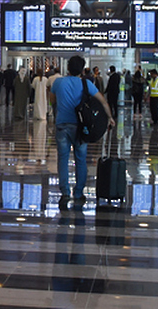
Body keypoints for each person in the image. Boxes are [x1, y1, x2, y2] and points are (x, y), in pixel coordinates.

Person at [49, 54, 115, 209]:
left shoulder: (58, 82)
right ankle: (78, 192)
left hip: (62, 125)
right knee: (80, 159)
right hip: (81, 127)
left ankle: (65, 192)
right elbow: (103, 101)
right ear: (82, 69)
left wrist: (57, 110)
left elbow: (52, 100)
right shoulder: (86, 84)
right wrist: (110, 117)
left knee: (63, 159)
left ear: (68, 68)